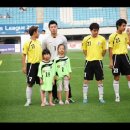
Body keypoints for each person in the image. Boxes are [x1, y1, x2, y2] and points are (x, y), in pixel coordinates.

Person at [42, 20, 75, 103]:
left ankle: (69, 97)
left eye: (54, 27)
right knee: (53, 80)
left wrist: (62, 58)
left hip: (61, 61)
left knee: (65, 78)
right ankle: (55, 97)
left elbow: (65, 49)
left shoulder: (63, 38)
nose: (53, 28)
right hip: (51, 62)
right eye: (51, 27)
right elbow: (43, 51)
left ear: (57, 27)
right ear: (49, 28)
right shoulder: (46, 39)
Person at [82, 23, 107, 104]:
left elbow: (104, 50)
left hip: (98, 61)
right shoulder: (86, 39)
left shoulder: (102, 39)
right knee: (86, 80)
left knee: (99, 79)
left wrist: (100, 57)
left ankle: (101, 97)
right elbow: (84, 50)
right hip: (88, 61)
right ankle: (85, 97)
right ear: (91, 30)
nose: (95, 32)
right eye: (94, 30)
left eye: (97, 30)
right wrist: (88, 57)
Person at [108, 18, 130, 102]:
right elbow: (110, 49)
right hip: (116, 57)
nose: (124, 27)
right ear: (118, 26)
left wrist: (129, 35)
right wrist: (111, 61)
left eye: (125, 25)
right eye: (123, 26)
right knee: (116, 77)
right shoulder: (112, 36)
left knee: (129, 75)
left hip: (125, 56)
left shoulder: (125, 35)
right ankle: (117, 95)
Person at [22, 26, 42, 106]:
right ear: (34, 32)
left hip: (40, 65)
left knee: (42, 83)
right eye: (38, 31)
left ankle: (43, 100)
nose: (39, 33)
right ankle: (28, 100)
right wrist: (24, 67)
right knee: (30, 83)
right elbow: (23, 55)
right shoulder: (27, 43)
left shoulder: (39, 42)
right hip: (31, 65)